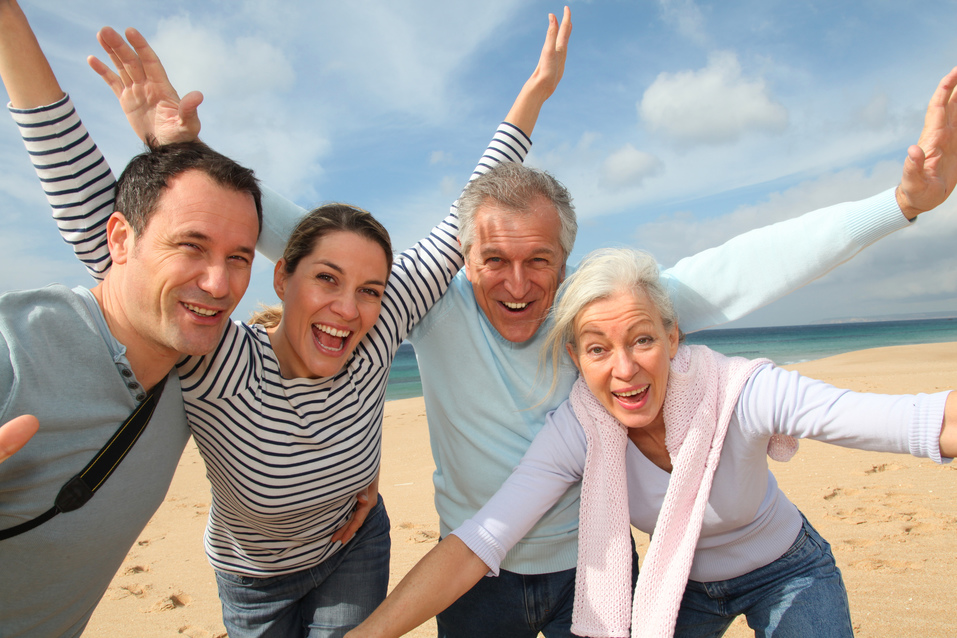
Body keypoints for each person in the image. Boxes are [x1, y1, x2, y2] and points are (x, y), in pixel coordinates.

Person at [1, 4, 572, 637]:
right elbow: (121, 242)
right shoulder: (220, 360)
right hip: (255, 578)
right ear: (282, 276)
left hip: (353, 549)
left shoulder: (379, 328)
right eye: (326, 279)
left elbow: (465, 215)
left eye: (370, 289)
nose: (348, 309)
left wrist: (533, 96)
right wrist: (169, 147)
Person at [393, 60, 957, 636]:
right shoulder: (449, 319)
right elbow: (485, 532)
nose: (517, 284)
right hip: (576, 578)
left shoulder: (648, 338)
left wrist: (900, 204)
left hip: (683, 566)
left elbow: (761, 262)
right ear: (463, 259)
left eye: (538, 260)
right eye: (494, 261)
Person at [345, 246, 956, 638]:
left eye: (641, 340)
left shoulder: (736, 392)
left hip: (786, 569)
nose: (625, 370)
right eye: (597, 349)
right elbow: (481, 539)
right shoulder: (580, 427)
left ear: (672, 337)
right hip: (676, 583)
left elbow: (909, 420)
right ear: (576, 359)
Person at [0, 3, 263, 637]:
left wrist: (176, 148)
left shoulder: (200, 370)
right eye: (191, 247)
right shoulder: (17, 350)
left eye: (239, 258)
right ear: (117, 239)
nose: (219, 284)